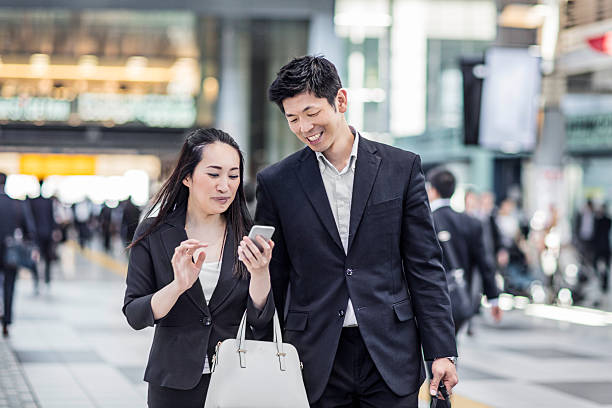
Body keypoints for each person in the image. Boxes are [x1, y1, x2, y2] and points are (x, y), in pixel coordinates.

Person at [256, 55, 457, 407]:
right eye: (292, 119)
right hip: (314, 356)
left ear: (341, 101)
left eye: (311, 113)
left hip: (390, 353)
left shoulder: (401, 168)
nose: (304, 127)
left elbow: (424, 265)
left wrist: (441, 350)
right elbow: (276, 275)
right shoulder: (277, 182)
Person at [123, 128, 275, 408]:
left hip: (237, 379)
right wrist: (177, 286)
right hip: (173, 382)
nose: (225, 186)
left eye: (233, 175)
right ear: (187, 176)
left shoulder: (247, 234)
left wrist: (260, 273)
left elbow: (260, 321)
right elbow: (134, 313)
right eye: (214, 174)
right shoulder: (155, 233)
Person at [426, 167, 502, 334]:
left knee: (434, 352)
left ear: (432, 190)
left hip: (430, 301)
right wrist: (494, 298)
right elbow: (484, 262)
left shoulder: (424, 221)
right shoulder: (470, 222)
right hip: (460, 298)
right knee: (450, 345)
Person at [0, 173, 36, 337]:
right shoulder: (16, 204)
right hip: (10, 252)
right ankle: (6, 321)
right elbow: (29, 229)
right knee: (9, 285)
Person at [29, 179, 58, 289]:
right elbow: (52, 218)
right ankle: (47, 278)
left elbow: (30, 219)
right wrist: (54, 230)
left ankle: (36, 279)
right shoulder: (48, 201)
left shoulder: (33, 201)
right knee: (47, 257)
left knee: (35, 257)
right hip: (47, 232)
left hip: (36, 234)